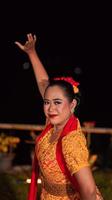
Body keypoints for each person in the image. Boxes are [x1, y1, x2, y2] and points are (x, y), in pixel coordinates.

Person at [15, 33, 103, 200]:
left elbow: (89, 191)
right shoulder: (54, 122)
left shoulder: (71, 141)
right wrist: (32, 53)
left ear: (72, 105)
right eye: (46, 102)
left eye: (57, 102)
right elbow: (43, 82)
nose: (50, 108)